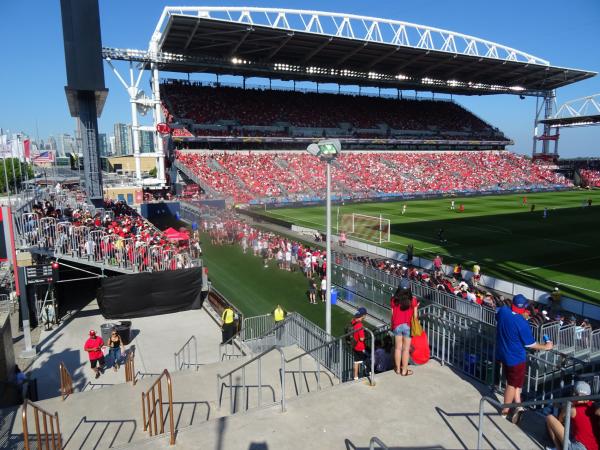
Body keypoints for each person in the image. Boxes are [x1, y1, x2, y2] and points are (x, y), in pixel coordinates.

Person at [495, 294, 553, 423]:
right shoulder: (522, 323)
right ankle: (505, 411)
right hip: (515, 358)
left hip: (502, 353)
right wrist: (546, 346)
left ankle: (519, 405)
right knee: (511, 384)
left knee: (514, 382)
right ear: (524, 308)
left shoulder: (504, 311)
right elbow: (530, 344)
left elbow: (498, 316)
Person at [545, 381, 599, 450]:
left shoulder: (571, 409)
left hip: (580, 448)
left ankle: (558, 448)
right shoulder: (594, 406)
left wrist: (564, 408)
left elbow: (560, 419)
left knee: (550, 418)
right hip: (595, 447)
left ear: (574, 394)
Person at [390, 280, 419, 376]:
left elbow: (393, 314)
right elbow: (415, 317)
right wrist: (416, 307)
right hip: (408, 326)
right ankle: (404, 371)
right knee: (406, 349)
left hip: (397, 325)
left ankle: (398, 369)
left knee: (398, 348)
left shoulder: (394, 299)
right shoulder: (413, 300)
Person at [352, 307, 368, 380]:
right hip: (360, 347)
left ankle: (355, 377)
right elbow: (362, 338)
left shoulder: (353, 321)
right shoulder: (360, 325)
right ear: (363, 315)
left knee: (356, 362)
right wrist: (365, 335)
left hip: (354, 345)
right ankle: (367, 373)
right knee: (366, 360)